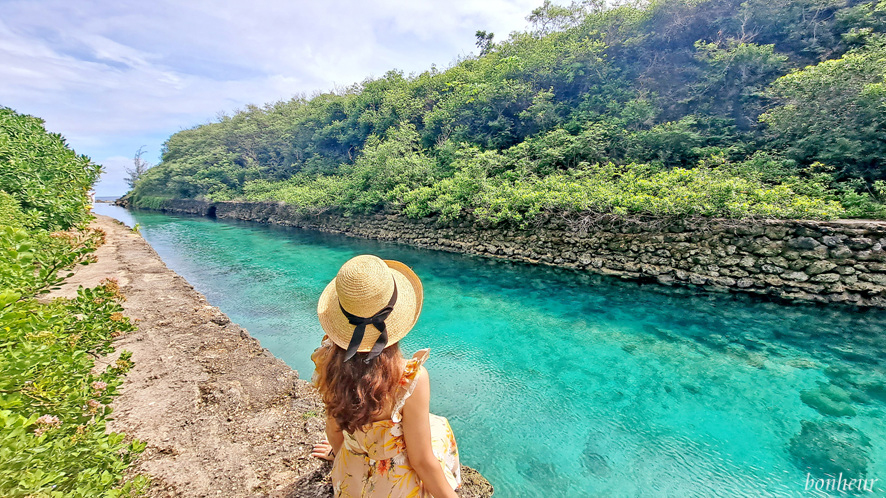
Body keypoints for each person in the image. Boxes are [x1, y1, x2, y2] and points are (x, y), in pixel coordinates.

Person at [310, 255, 461, 498]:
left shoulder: (326, 362)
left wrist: (342, 454)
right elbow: (422, 461)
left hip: (350, 480)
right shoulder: (411, 379)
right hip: (392, 488)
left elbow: (334, 431)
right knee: (439, 427)